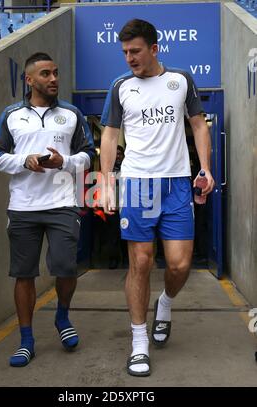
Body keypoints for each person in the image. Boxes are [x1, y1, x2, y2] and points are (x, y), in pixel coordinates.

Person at [100, 19, 214, 377]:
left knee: (179, 265)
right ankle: (138, 342)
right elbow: (109, 134)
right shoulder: (121, 87)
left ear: (154, 48)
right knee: (141, 262)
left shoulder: (180, 81)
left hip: (177, 184)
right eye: (124, 52)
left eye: (135, 51)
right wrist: (105, 181)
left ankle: (164, 304)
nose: (129, 58)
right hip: (137, 184)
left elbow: (198, 124)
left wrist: (205, 169)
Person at [0, 52, 94, 367]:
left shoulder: (72, 114)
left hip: (63, 204)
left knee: (65, 267)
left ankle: (62, 317)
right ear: (29, 79)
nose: (53, 79)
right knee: (24, 274)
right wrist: (24, 160)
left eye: (56, 73)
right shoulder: (11, 115)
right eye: (46, 74)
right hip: (23, 207)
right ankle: (26, 340)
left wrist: (68, 162)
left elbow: (89, 153)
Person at [106, 145, 128, 269]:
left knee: (126, 234)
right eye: (116, 154)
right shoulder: (108, 171)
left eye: (120, 154)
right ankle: (113, 259)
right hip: (113, 208)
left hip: (126, 207)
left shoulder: (128, 169)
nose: (118, 156)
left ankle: (126, 258)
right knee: (113, 235)